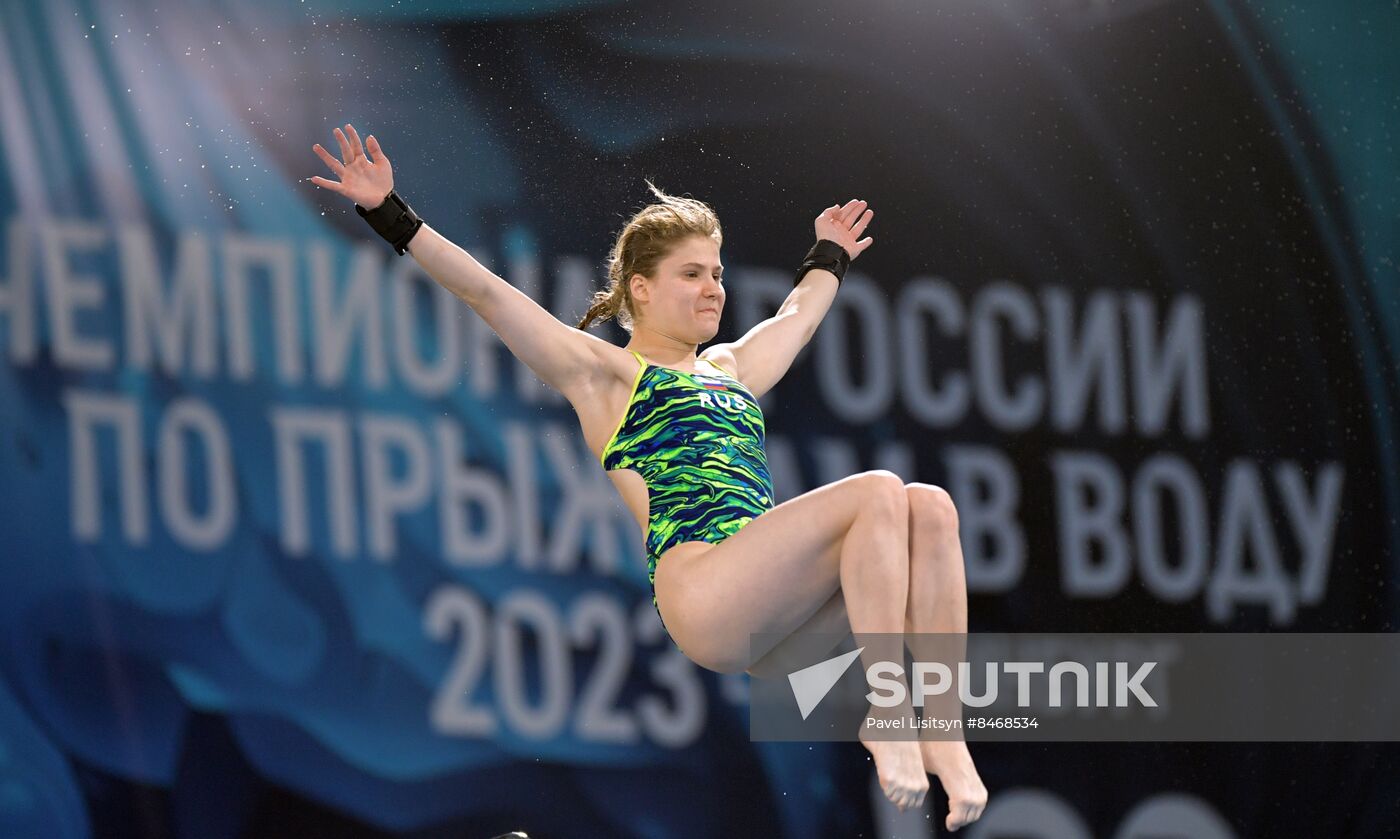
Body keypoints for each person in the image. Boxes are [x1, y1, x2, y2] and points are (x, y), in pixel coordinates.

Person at [309, 123, 987, 829]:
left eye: (718, 273)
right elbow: (487, 293)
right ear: (640, 287)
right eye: (692, 274)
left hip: (775, 619)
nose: (713, 288)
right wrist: (390, 211)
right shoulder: (607, 377)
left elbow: (799, 314)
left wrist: (829, 253)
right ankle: (886, 707)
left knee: (930, 507)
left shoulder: (731, 372)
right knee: (878, 490)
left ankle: (944, 729)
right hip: (704, 594)